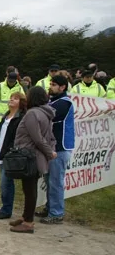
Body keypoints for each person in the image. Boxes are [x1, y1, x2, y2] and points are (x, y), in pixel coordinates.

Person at [10, 86, 57, 234]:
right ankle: (25, 216)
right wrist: (51, 150)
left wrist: (49, 152)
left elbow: (37, 138)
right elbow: (50, 136)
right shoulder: (46, 113)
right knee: (29, 188)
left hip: (30, 157)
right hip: (37, 156)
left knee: (29, 189)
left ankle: (28, 222)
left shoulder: (32, 114)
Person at [36, 75, 76, 224]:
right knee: (49, 181)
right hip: (51, 148)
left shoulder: (64, 103)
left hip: (60, 148)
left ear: (62, 87)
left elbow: (47, 115)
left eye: (54, 85)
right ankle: (50, 208)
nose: (50, 87)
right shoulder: (53, 101)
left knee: (55, 182)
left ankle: (57, 213)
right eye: (50, 84)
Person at [0, 92, 26, 219]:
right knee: (3, 181)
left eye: (15, 98)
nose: (11, 99)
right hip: (1, 150)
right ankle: (5, 206)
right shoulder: (6, 115)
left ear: (21, 102)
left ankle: (6, 209)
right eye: (11, 98)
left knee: (6, 182)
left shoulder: (21, 117)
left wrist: (11, 150)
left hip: (9, 154)